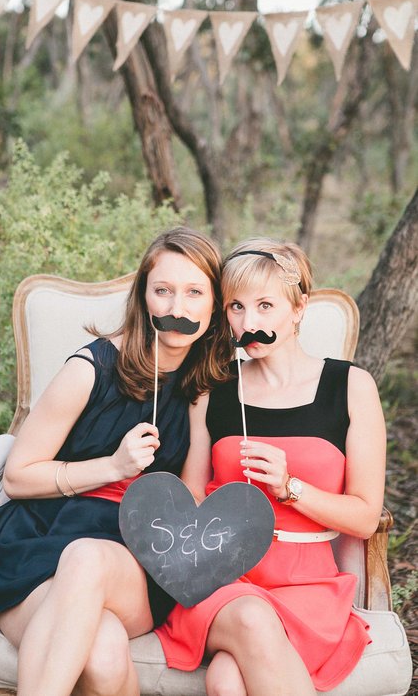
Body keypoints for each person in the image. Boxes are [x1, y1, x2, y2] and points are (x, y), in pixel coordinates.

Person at [0, 226, 233, 696]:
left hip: (135, 558)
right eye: (163, 291)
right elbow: (19, 475)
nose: (178, 308)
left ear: (214, 304)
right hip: (37, 545)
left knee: (87, 558)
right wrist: (112, 467)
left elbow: (192, 500)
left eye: (195, 292)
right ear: (144, 298)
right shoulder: (90, 369)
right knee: (104, 656)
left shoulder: (206, 386)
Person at [155, 237, 386, 696]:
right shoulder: (213, 392)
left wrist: (290, 486)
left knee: (225, 681)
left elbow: (364, 518)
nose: (249, 322)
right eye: (236, 308)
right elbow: (191, 498)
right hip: (224, 580)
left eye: (265, 305)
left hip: (308, 586)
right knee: (251, 616)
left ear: (299, 308)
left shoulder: (351, 387)